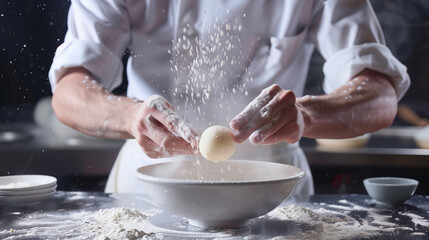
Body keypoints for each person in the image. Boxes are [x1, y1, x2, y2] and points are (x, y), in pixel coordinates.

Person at [49, 0, 410, 202]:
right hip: (149, 181)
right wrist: (130, 116)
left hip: (272, 186)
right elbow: (70, 91)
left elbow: (379, 95)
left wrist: (306, 113)